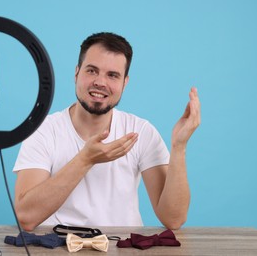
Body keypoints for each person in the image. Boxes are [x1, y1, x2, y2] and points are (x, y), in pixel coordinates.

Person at [12, 32, 201, 231]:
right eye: (92, 71)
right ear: (76, 73)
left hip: (123, 248)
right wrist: (85, 160)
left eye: (112, 75)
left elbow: (174, 219)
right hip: (58, 246)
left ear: (124, 83)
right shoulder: (44, 131)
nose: (100, 82)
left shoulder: (140, 131)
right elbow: (26, 217)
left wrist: (179, 146)